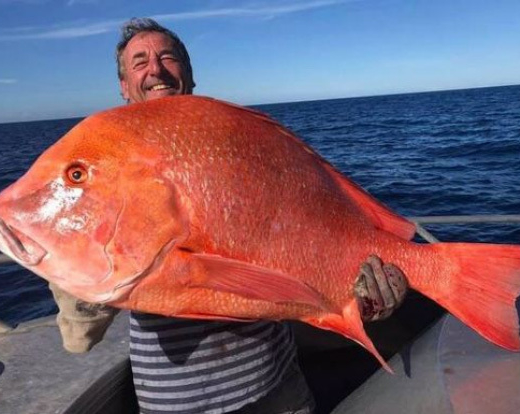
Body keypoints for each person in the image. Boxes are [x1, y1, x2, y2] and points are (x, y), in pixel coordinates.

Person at [49, 17, 409, 414]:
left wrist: (364, 294)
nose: (155, 69)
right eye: (139, 62)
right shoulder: (111, 168)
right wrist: (77, 255)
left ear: (189, 74)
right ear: (123, 87)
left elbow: (300, 245)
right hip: (176, 403)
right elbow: (79, 335)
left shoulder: (242, 142)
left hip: (279, 383)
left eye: (168, 56)